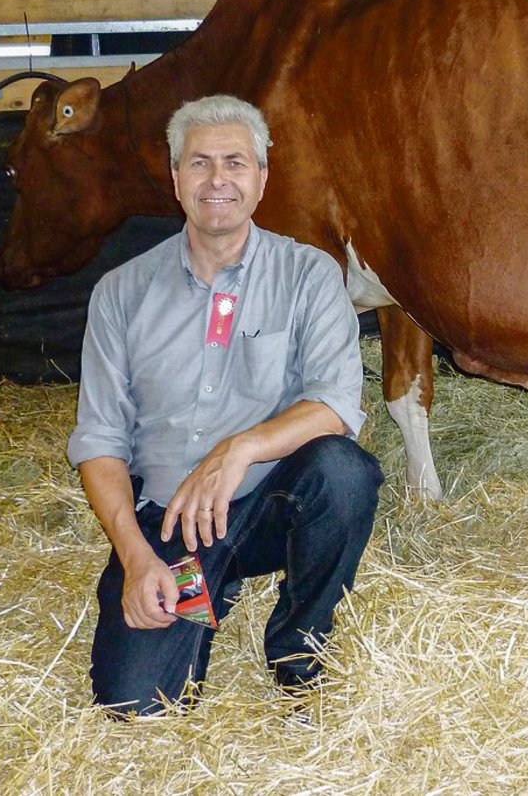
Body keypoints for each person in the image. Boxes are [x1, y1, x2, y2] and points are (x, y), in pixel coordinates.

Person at [67, 93, 383, 716]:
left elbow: (338, 403)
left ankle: (300, 644)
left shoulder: (308, 275)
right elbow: (99, 441)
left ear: (262, 179)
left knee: (344, 472)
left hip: (274, 505)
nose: (218, 180)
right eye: (200, 163)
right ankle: (206, 582)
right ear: (175, 178)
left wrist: (238, 450)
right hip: (174, 522)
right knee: (139, 705)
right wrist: (135, 559)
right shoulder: (121, 294)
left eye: (236, 163)